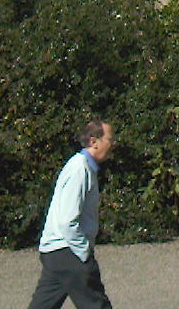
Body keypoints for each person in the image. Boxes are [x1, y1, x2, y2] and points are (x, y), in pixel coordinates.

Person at [27, 119, 116, 309]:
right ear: (94, 141)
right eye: (110, 138)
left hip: (56, 253)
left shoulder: (85, 168)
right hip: (68, 252)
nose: (113, 143)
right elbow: (67, 220)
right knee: (97, 305)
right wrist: (84, 253)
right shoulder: (79, 168)